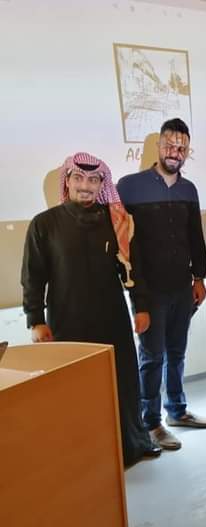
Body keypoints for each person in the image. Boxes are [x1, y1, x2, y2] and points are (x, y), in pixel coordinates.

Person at [22, 152, 160, 466]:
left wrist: (141, 307)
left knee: (122, 381)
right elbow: (33, 276)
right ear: (67, 181)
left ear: (102, 184)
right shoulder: (45, 224)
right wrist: (35, 320)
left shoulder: (116, 221)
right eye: (79, 178)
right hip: (67, 321)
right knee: (76, 389)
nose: (85, 186)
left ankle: (133, 444)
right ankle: (84, 455)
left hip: (112, 319)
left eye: (93, 180)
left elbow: (133, 268)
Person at [117, 118, 206, 451]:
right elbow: (124, 244)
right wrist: (137, 298)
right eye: (170, 145)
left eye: (182, 147)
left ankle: (177, 410)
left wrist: (199, 277)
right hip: (148, 290)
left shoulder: (189, 190)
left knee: (177, 352)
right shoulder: (129, 187)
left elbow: (195, 237)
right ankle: (151, 422)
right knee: (152, 356)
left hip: (182, 288)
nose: (175, 152)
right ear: (158, 146)